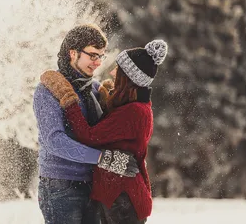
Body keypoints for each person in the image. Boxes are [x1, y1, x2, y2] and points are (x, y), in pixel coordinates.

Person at [40, 39, 168, 224]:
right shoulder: (136, 106)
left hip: (123, 200)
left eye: (118, 69)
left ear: (129, 77)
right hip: (121, 195)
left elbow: (89, 135)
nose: (112, 71)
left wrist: (68, 98)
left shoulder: (133, 112)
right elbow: (113, 135)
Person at [33, 24, 139, 224]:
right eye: (93, 55)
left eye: (101, 56)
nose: (98, 63)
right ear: (73, 53)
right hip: (61, 186)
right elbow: (54, 142)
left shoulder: (95, 90)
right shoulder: (47, 91)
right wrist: (102, 158)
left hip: (92, 184)